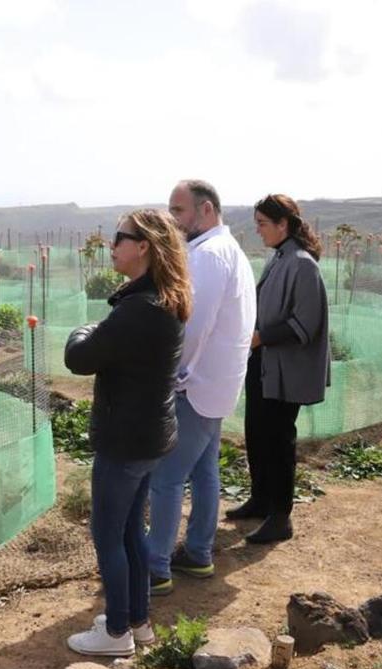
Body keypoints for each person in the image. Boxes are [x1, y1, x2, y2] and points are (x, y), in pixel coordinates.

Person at [63, 209, 191, 657]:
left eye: (120, 237)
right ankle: (138, 622)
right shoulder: (164, 299)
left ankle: (115, 631)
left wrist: (87, 328)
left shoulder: (138, 309)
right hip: (150, 437)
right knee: (133, 530)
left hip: (125, 441)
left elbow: (79, 357)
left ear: (144, 247)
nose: (111, 244)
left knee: (108, 535)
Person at [146, 180, 256, 596]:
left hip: (196, 384)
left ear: (206, 210)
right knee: (204, 471)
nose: (173, 220)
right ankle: (198, 552)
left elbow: (194, 325)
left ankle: (156, 568)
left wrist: (173, 373)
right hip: (218, 384)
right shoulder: (229, 250)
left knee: (167, 477)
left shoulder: (209, 255)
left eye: (179, 211)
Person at [234, 194, 329, 544]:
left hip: (285, 369)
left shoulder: (302, 264)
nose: (258, 230)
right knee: (256, 433)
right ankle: (261, 500)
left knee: (278, 441)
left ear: (283, 225)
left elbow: (305, 324)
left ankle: (281, 516)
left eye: (262, 223)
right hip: (264, 364)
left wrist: (261, 337)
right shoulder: (280, 258)